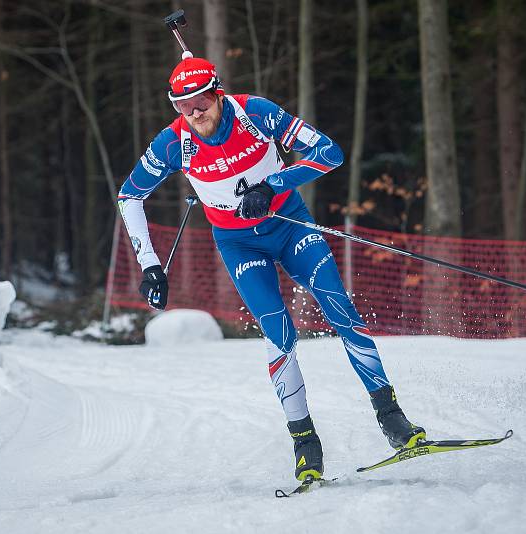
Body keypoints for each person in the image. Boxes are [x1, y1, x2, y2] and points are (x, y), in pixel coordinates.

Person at [117, 56, 425, 482]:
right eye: (182, 105)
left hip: (288, 225)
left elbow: (329, 152)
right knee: (280, 334)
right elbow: (129, 196)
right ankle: (305, 444)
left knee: (341, 312)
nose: (194, 112)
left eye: (201, 100)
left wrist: (273, 185)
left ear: (217, 92)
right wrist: (150, 264)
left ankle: (393, 420)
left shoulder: (255, 113)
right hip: (238, 242)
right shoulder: (172, 143)